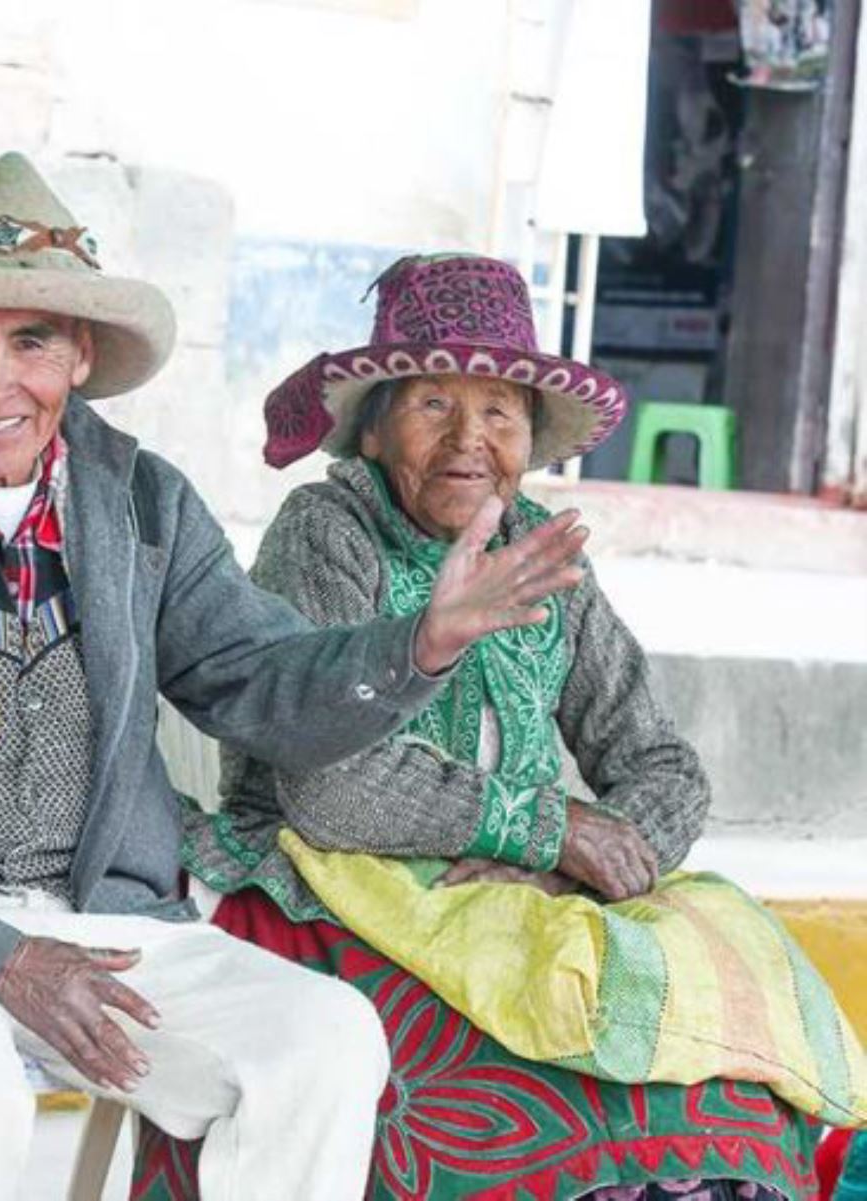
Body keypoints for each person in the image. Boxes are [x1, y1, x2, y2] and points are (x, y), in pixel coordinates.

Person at [0, 155, 591, 1200]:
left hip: (101, 920)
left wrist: (419, 644)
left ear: (80, 355)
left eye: (32, 341)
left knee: (323, 1040)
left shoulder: (140, 505)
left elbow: (258, 679)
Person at [138, 252, 818, 1201]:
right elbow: (328, 786)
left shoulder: (538, 552)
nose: (469, 438)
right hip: (330, 890)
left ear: (531, 440)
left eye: (498, 410)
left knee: (726, 1062)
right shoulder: (328, 533)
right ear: (372, 434)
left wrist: (564, 862)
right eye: (431, 405)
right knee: (480, 1099)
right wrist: (550, 826)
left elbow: (662, 764)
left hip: (520, 901)